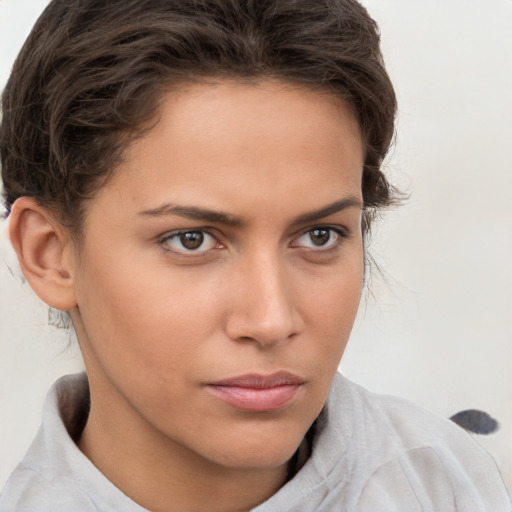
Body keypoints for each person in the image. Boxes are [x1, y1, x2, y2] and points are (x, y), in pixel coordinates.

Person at [0, 0, 509, 510]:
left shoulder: (453, 483)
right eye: (192, 240)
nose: (271, 321)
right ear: (49, 255)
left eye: (319, 236)